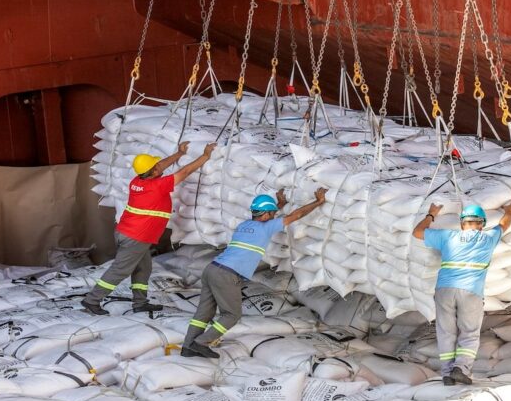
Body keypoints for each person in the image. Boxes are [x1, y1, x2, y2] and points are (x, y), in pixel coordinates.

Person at [181, 187, 327, 358]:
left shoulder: (245, 225)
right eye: (271, 214)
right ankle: (201, 343)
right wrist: (318, 202)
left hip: (212, 269)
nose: (273, 217)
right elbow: (295, 215)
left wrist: (278, 204)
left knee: (203, 313)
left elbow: (267, 216)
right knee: (232, 315)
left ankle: (188, 346)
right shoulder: (265, 227)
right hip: (228, 274)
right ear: (265, 215)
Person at [81, 141, 217, 315]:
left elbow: (159, 166)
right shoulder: (157, 186)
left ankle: (140, 303)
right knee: (120, 270)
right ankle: (92, 300)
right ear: (153, 172)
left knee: (143, 268)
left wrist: (179, 154)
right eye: (156, 166)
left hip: (129, 233)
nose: (159, 167)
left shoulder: (137, 181)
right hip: (135, 237)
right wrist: (205, 156)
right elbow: (184, 172)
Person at [412, 200, 511, 385]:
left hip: (444, 290)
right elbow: (504, 224)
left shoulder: (448, 236)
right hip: (471, 292)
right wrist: (508, 210)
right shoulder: (488, 238)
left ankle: (447, 374)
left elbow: (417, 232)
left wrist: (431, 214)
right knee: (469, 332)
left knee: (446, 332)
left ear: (462, 223)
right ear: (482, 224)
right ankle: (461, 368)